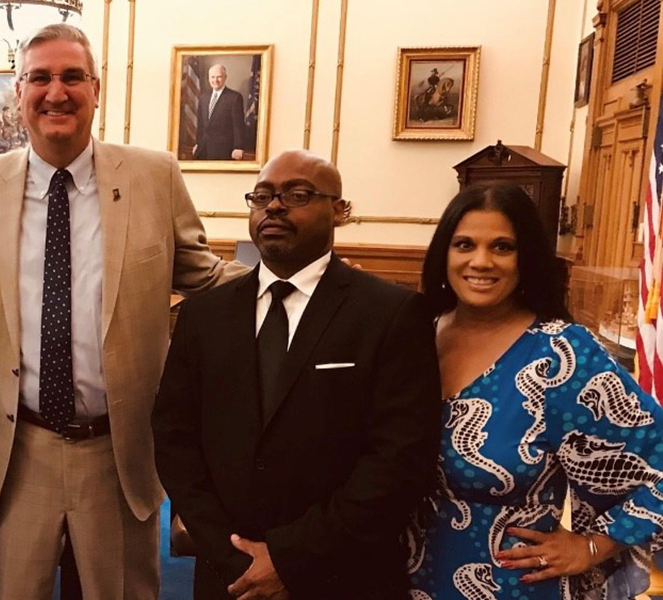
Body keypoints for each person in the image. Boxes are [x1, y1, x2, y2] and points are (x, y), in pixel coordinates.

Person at [0, 23, 247, 600]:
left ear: (96, 89)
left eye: (72, 77)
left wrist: (307, 289)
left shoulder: (155, 176)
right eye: (40, 78)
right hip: (18, 450)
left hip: (117, 450)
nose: (57, 92)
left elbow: (203, 274)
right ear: (18, 89)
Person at [152, 149, 442, 600]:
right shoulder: (202, 317)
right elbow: (174, 439)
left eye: (298, 194)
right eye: (262, 195)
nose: (274, 206)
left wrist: (290, 559)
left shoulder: (390, 313)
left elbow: (398, 459)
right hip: (230, 575)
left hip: (342, 574)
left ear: (340, 211)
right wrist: (232, 554)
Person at [409, 184, 663, 599]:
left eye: (503, 247)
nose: (481, 261)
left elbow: (659, 459)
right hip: (395, 578)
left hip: (512, 586)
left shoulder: (560, 354)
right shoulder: (414, 333)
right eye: (464, 244)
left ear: (526, 257)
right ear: (444, 253)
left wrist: (593, 546)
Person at [193, 64, 246, 161]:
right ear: (208, 78)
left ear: (225, 78)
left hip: (224, 151)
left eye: (219, 77)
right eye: (212, 77)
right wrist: (198, 143)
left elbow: (238, 125)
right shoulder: (203, 98)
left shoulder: (234, 98)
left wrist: (238, 147)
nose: (215, 80)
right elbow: (200, 124)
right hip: (203, 149)